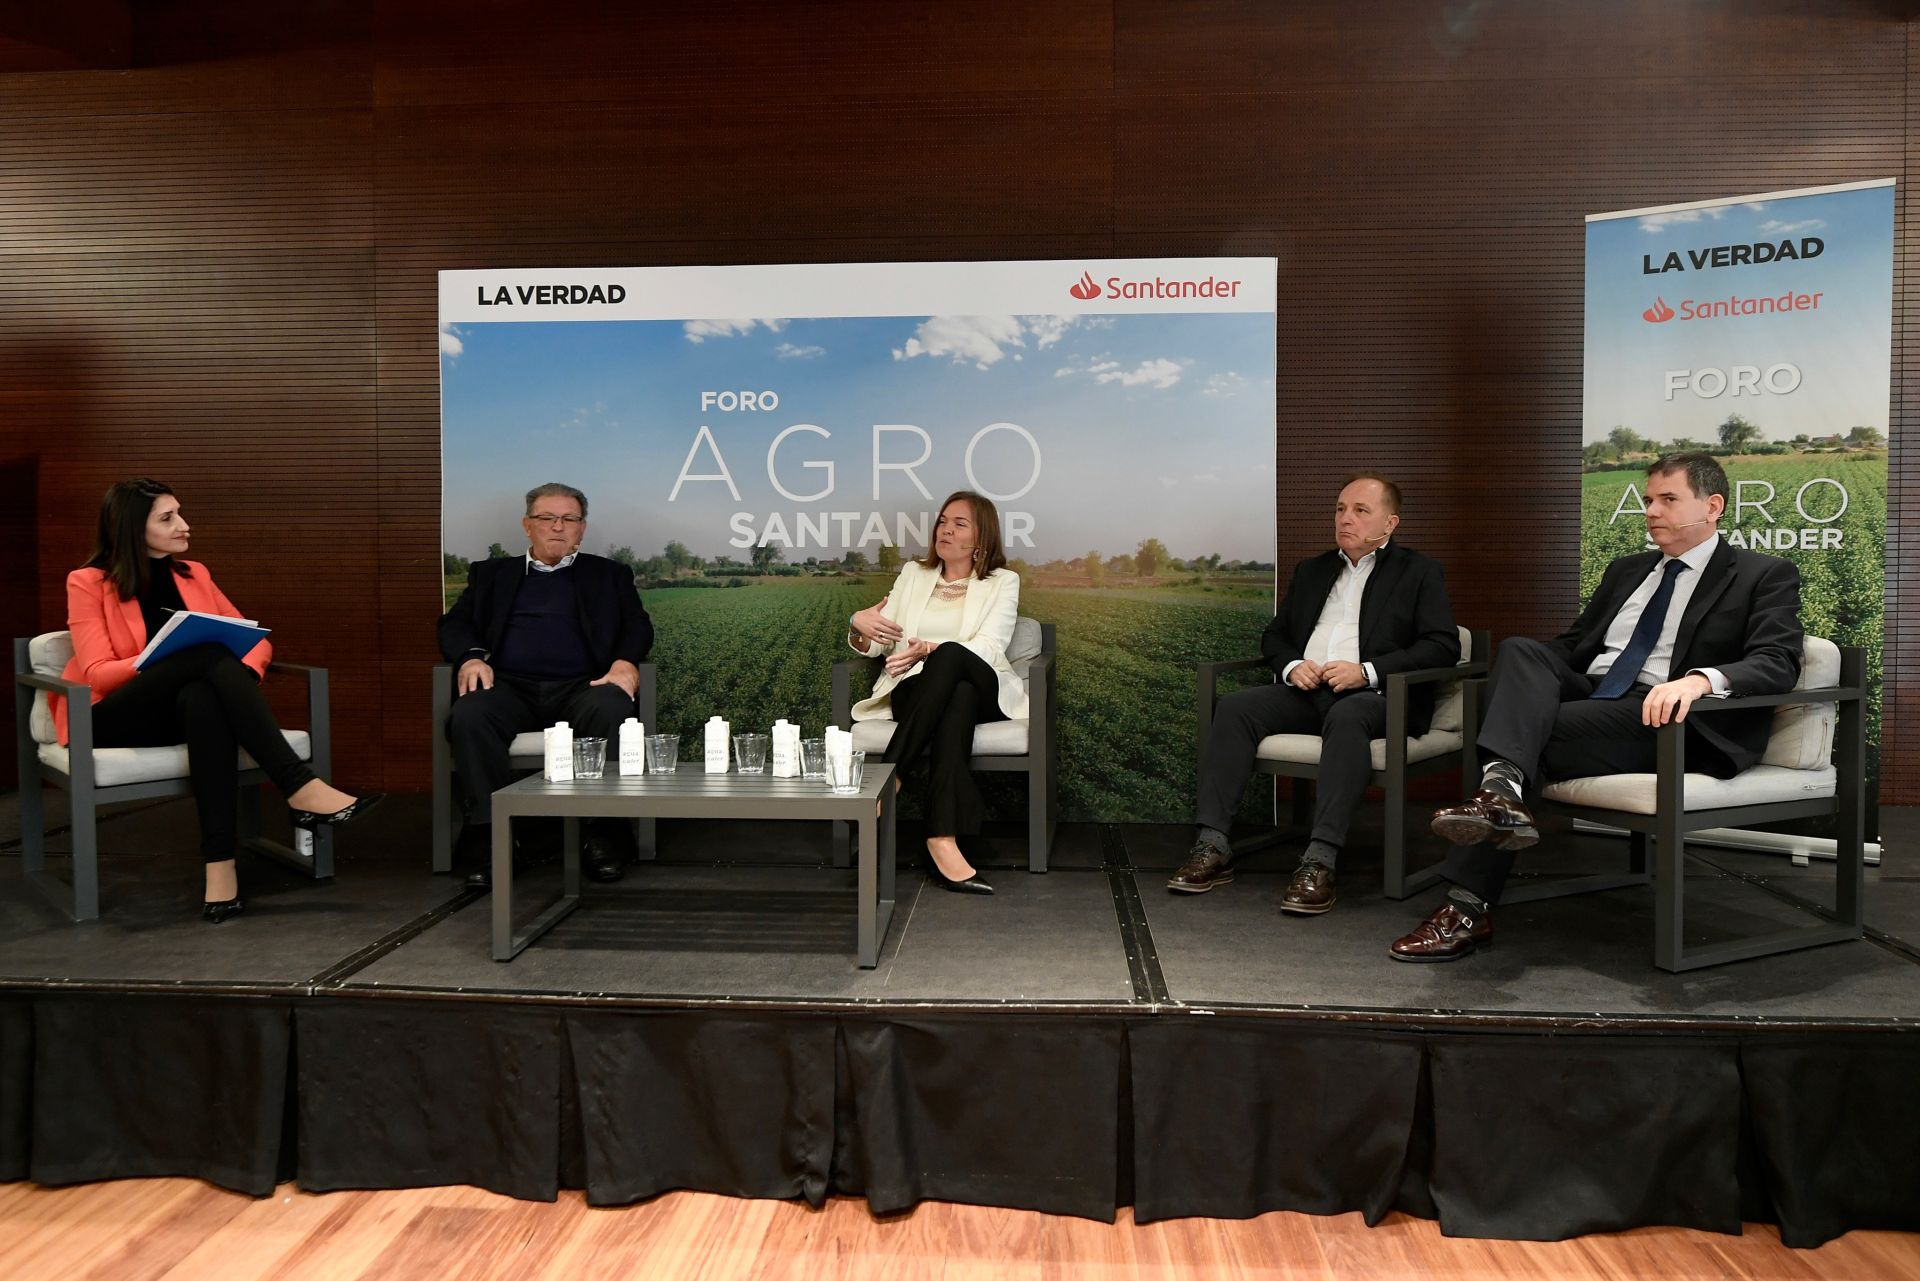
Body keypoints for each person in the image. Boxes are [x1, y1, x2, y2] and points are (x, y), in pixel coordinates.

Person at [1392, 452, 1803, 961]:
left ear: (1713, 505)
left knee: (1525, 735)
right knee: (1521, 649)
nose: (1652, 511)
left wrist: (1698, 680)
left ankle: (1466, 902)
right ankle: (1501, 794)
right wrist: (1526, 676)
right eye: (1649, 500)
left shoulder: (1763, 573)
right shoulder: (1628, 569)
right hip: (1596, 693)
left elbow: (1777, 660)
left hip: (1668, 715)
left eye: (1668, 499)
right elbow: (1574, 646)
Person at [54, 478, 377, 923]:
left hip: (181, 709)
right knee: (205, 654)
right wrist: (172, 656)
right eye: (168, 518)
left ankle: (220, 870)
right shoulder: (88, 582)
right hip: (111, 714)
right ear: (131, 526)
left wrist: (235, 677)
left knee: (206, 697)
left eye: (180, 513)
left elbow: (254, 639)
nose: (183, 525)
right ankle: (299, 786)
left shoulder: (195, 574)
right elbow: (98, 674)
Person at [1170, 472, 1459, 914]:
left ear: (1390, 524)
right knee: (1235, 709)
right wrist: (1290, 666)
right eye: (1341, 509)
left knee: (1346, 717)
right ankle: (1213, 844)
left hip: (1380, 699)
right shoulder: (1312, 570)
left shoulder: (1418, 572)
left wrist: (1367, 672)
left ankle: (1319, 859)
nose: (1346, 519)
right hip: (1308, 691)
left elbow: (1442, 645)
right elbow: (1276, 636)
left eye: (1361, 511)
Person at [439, 482, 653, 886]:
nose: (558, 527)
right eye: (547, 518)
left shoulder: (609, 575)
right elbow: (456, 624)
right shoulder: (491, 575)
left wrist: (626, 661)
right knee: (469, 715)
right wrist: (469, 656)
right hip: (509, 686)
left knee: (613, 708)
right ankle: (492, 839)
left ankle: (603, 834)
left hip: (582, 686)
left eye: (569, 519)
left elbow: (636, 625)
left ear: (582, 529)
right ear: (527, 525)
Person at [847, 491, 1027, 894]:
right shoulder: (913, 574)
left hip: (985, 688)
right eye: (943, 521)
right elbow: (879, 640)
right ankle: (941, 839)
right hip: (917, 691)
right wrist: (859, 624)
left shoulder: (1003, 582)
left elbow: (990, 645)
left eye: (959, 523)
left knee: (953, 663)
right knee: (955, 699)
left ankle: (887, 781)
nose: (945, 529)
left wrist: (932, 649)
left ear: (981, 538)